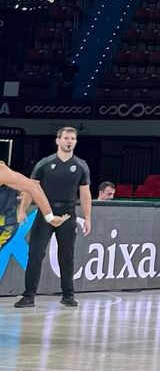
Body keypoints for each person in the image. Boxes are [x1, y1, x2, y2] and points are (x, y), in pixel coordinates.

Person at [15, 127, 93, 309]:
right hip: (45, 213)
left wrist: (88, 218)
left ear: (76, 141)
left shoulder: (81, 165)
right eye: (66, 138)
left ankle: (68, 295)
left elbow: (85, 194)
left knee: (67, 255)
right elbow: (30, 188)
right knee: (35, 254)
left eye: (73, 138)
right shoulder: (45, 163)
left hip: (68, 213)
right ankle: (29, 296)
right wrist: (22, 210)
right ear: (58, 140)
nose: (69, 141)